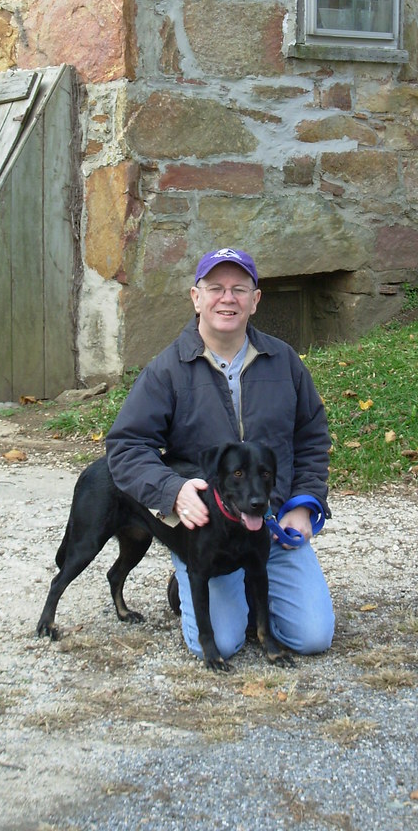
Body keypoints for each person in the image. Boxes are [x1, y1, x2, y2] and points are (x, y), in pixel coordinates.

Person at [105, 247, 335, 661]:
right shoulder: (167, 370)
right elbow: (126, 446)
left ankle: (250, 593)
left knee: (313, 637)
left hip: (270, 523)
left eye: (239, 289)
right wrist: (171, 491)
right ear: (196, 297)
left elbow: (312, 437)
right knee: (223, 644)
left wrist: (303, 502)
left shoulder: (284, 362)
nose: (227, 299)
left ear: (255, 300)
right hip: (209, 531)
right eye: (215, 288)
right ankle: (189, 576)